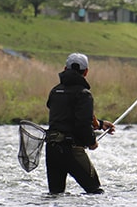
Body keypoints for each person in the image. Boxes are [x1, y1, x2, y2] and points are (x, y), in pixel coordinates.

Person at [45, 52, 115, 194]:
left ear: (65, 69)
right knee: (95, 192)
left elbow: (66, 116)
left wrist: (100, 124)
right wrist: (91, 142)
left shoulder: (55, 91)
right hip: (71, 150)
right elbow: (82, 124)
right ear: (86, 72)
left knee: (55, 194)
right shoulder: (84, 94)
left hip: (52, 150)